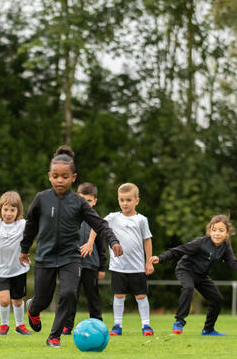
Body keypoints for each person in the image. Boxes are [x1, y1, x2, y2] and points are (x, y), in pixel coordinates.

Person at [20, 146, 123, 348]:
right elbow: (31, 224)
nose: (60, 180)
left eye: (65, 176)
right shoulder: (41, 199)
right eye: (56, 176)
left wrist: (113, 241)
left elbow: (100, 223)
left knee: (69, 293)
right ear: (49, 176)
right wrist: (24, 249)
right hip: (45, 256)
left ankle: (54, 336)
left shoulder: (79, 202)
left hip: (70, 257)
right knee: (42, 299)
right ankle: (33, 308)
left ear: (73, 178)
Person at [149, 214, 237, 336]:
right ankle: (179, 322)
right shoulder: (200, 243)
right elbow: (178, 250)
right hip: (185, 270)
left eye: (221, 230)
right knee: (188, 288)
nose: (217, 233)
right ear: (210, 231)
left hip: (201, 275)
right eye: (214, 230)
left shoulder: (225, 247)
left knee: (217, 299)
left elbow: (233, 261)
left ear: (227, 233)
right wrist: (160, 258)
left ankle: (208, 330)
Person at [83, 183, 154, 336]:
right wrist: (90, 243)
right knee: (118, 296)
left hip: (136, 267)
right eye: (122, 200)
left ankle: (146, 326)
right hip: (118, 267)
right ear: (118, 200)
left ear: (137, 201)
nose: (125, 203)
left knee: (141, 296)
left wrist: (148, 261)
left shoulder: (141, 220)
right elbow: (96, 227)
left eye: (128, 200)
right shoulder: (112, 217)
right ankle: (117, 325)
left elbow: (147, 240)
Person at [0, 191, 32, 336]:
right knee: (4, 300)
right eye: (5, 209)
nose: (8, 213)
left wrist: (26, 252)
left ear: (18, 211)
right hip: (2, 269)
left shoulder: (23, 224)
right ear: (0, 209)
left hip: (19, 269)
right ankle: (4, 325)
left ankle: (20, 326)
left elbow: (32, 236)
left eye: (12, 210)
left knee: (17, 301)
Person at [61, 182, 107, 335]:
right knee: (71, 296)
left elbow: (102, 246)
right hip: (72, 265)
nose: (85, 203)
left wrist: (101, 267)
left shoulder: (96, 220)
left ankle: (98, 324)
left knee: (92, 297)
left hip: (91, 265)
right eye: (82, 199)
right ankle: (67, 326)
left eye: (88, 201)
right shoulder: (69, 217)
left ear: (94, 201)